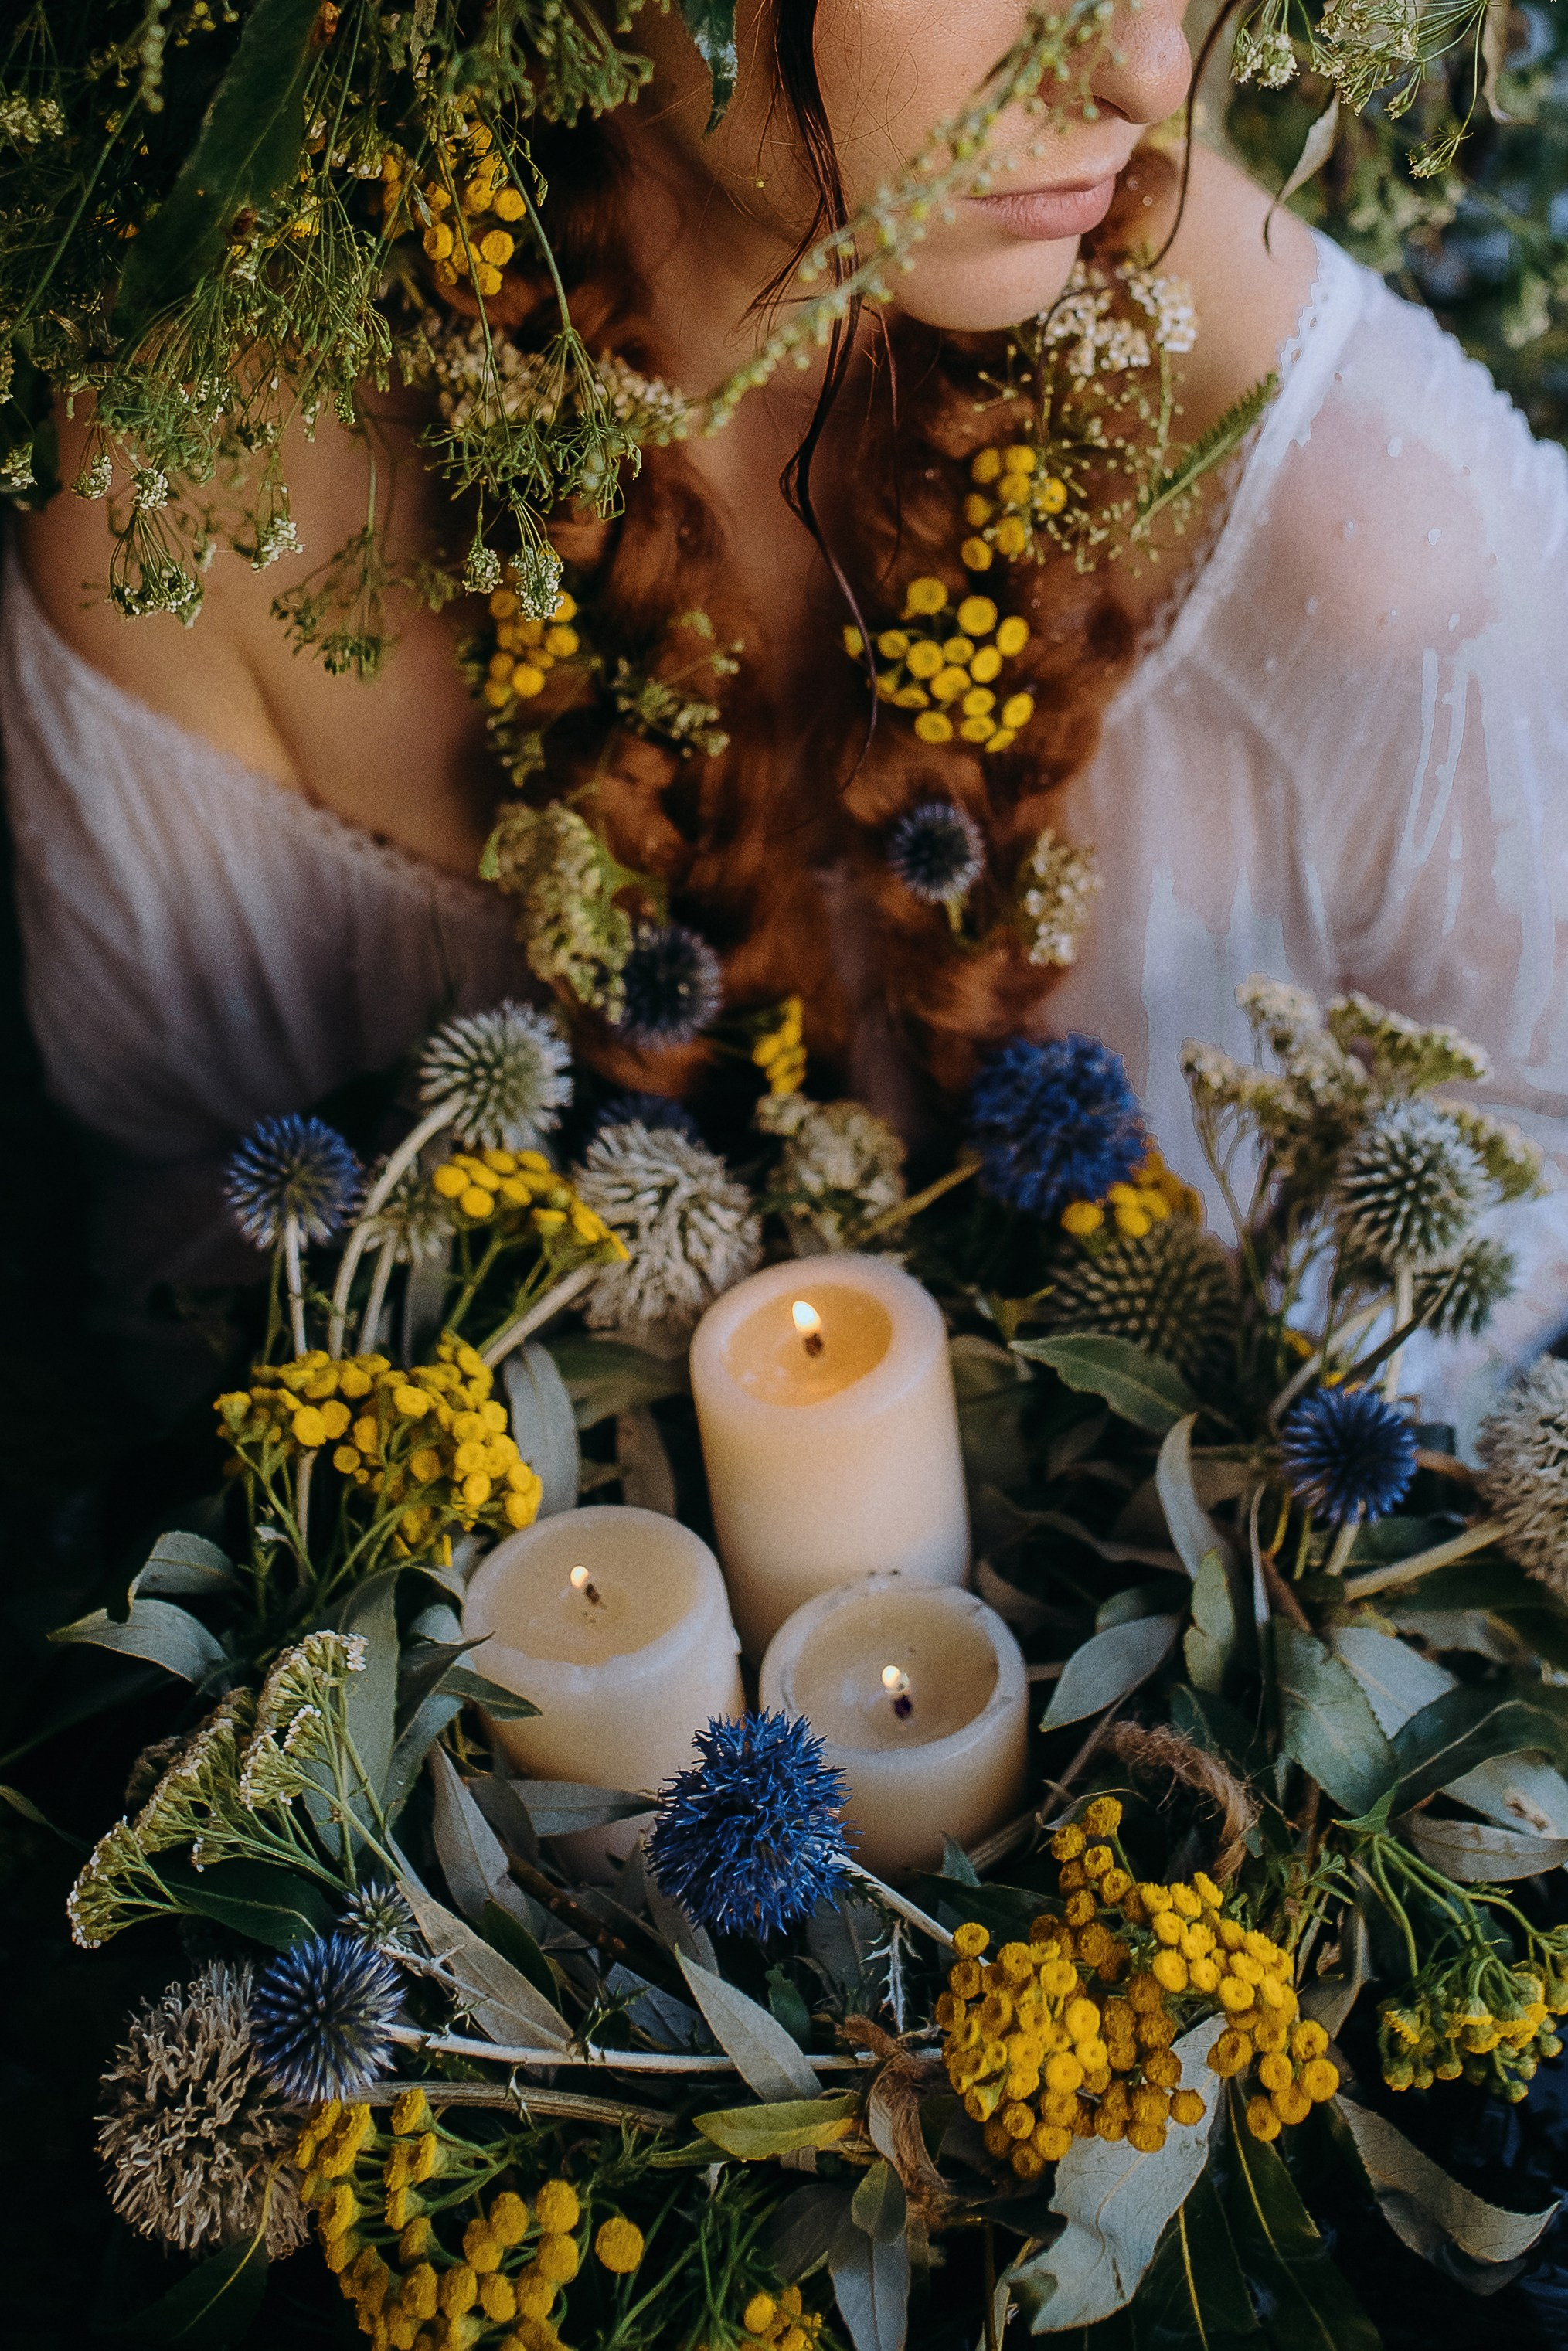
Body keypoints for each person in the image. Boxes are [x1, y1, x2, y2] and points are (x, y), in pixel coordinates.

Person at [4, 0, 1566, 1438]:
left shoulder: (1360, 515)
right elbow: (196, 1264)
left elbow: (1530, 1154)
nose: (1144, 71)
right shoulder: (191, 514)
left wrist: (1193, 1530)